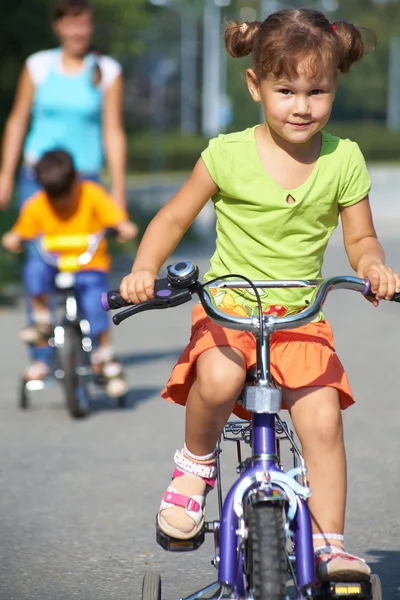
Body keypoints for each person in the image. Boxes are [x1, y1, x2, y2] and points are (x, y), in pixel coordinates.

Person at [119, 8, 400, 583]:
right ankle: (194, 466)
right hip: (229, 311)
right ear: (255, 86)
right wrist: (143, 268)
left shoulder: (343, 159)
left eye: (317, 91)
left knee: (322, 417)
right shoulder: (226, 154)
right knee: (218, 379)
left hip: (300, 315)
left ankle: (328, 543)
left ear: (335, 87)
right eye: (286, 90)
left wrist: (373, 266)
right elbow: (173, 217)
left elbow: (362, 237)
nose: (302, 105)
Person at [2, 150, 138, 397]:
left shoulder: (92, 194)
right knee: (33, 269)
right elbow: (22, 229)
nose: (62, 204)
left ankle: (104, 355)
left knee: (96, 303)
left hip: (89, 264)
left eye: (66, 196)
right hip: (53, 263)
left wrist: (122, 226)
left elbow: (115, 217)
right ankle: (42, 320)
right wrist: (15, 237)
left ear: (76, 179)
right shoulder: (38, 203)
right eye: (56, 199)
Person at [0, 0, 127, 211]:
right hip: (39, 178)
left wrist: (119, 189)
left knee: (85, 244)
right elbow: (17, 122)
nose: (77, 32)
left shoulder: (108, 71)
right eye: (70, 24)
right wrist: (5, 176)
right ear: (57, 26)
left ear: (91, 27)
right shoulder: (37, 66)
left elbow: (113, 132)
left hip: (85, 180)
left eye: (83, 25)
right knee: (38, 243)